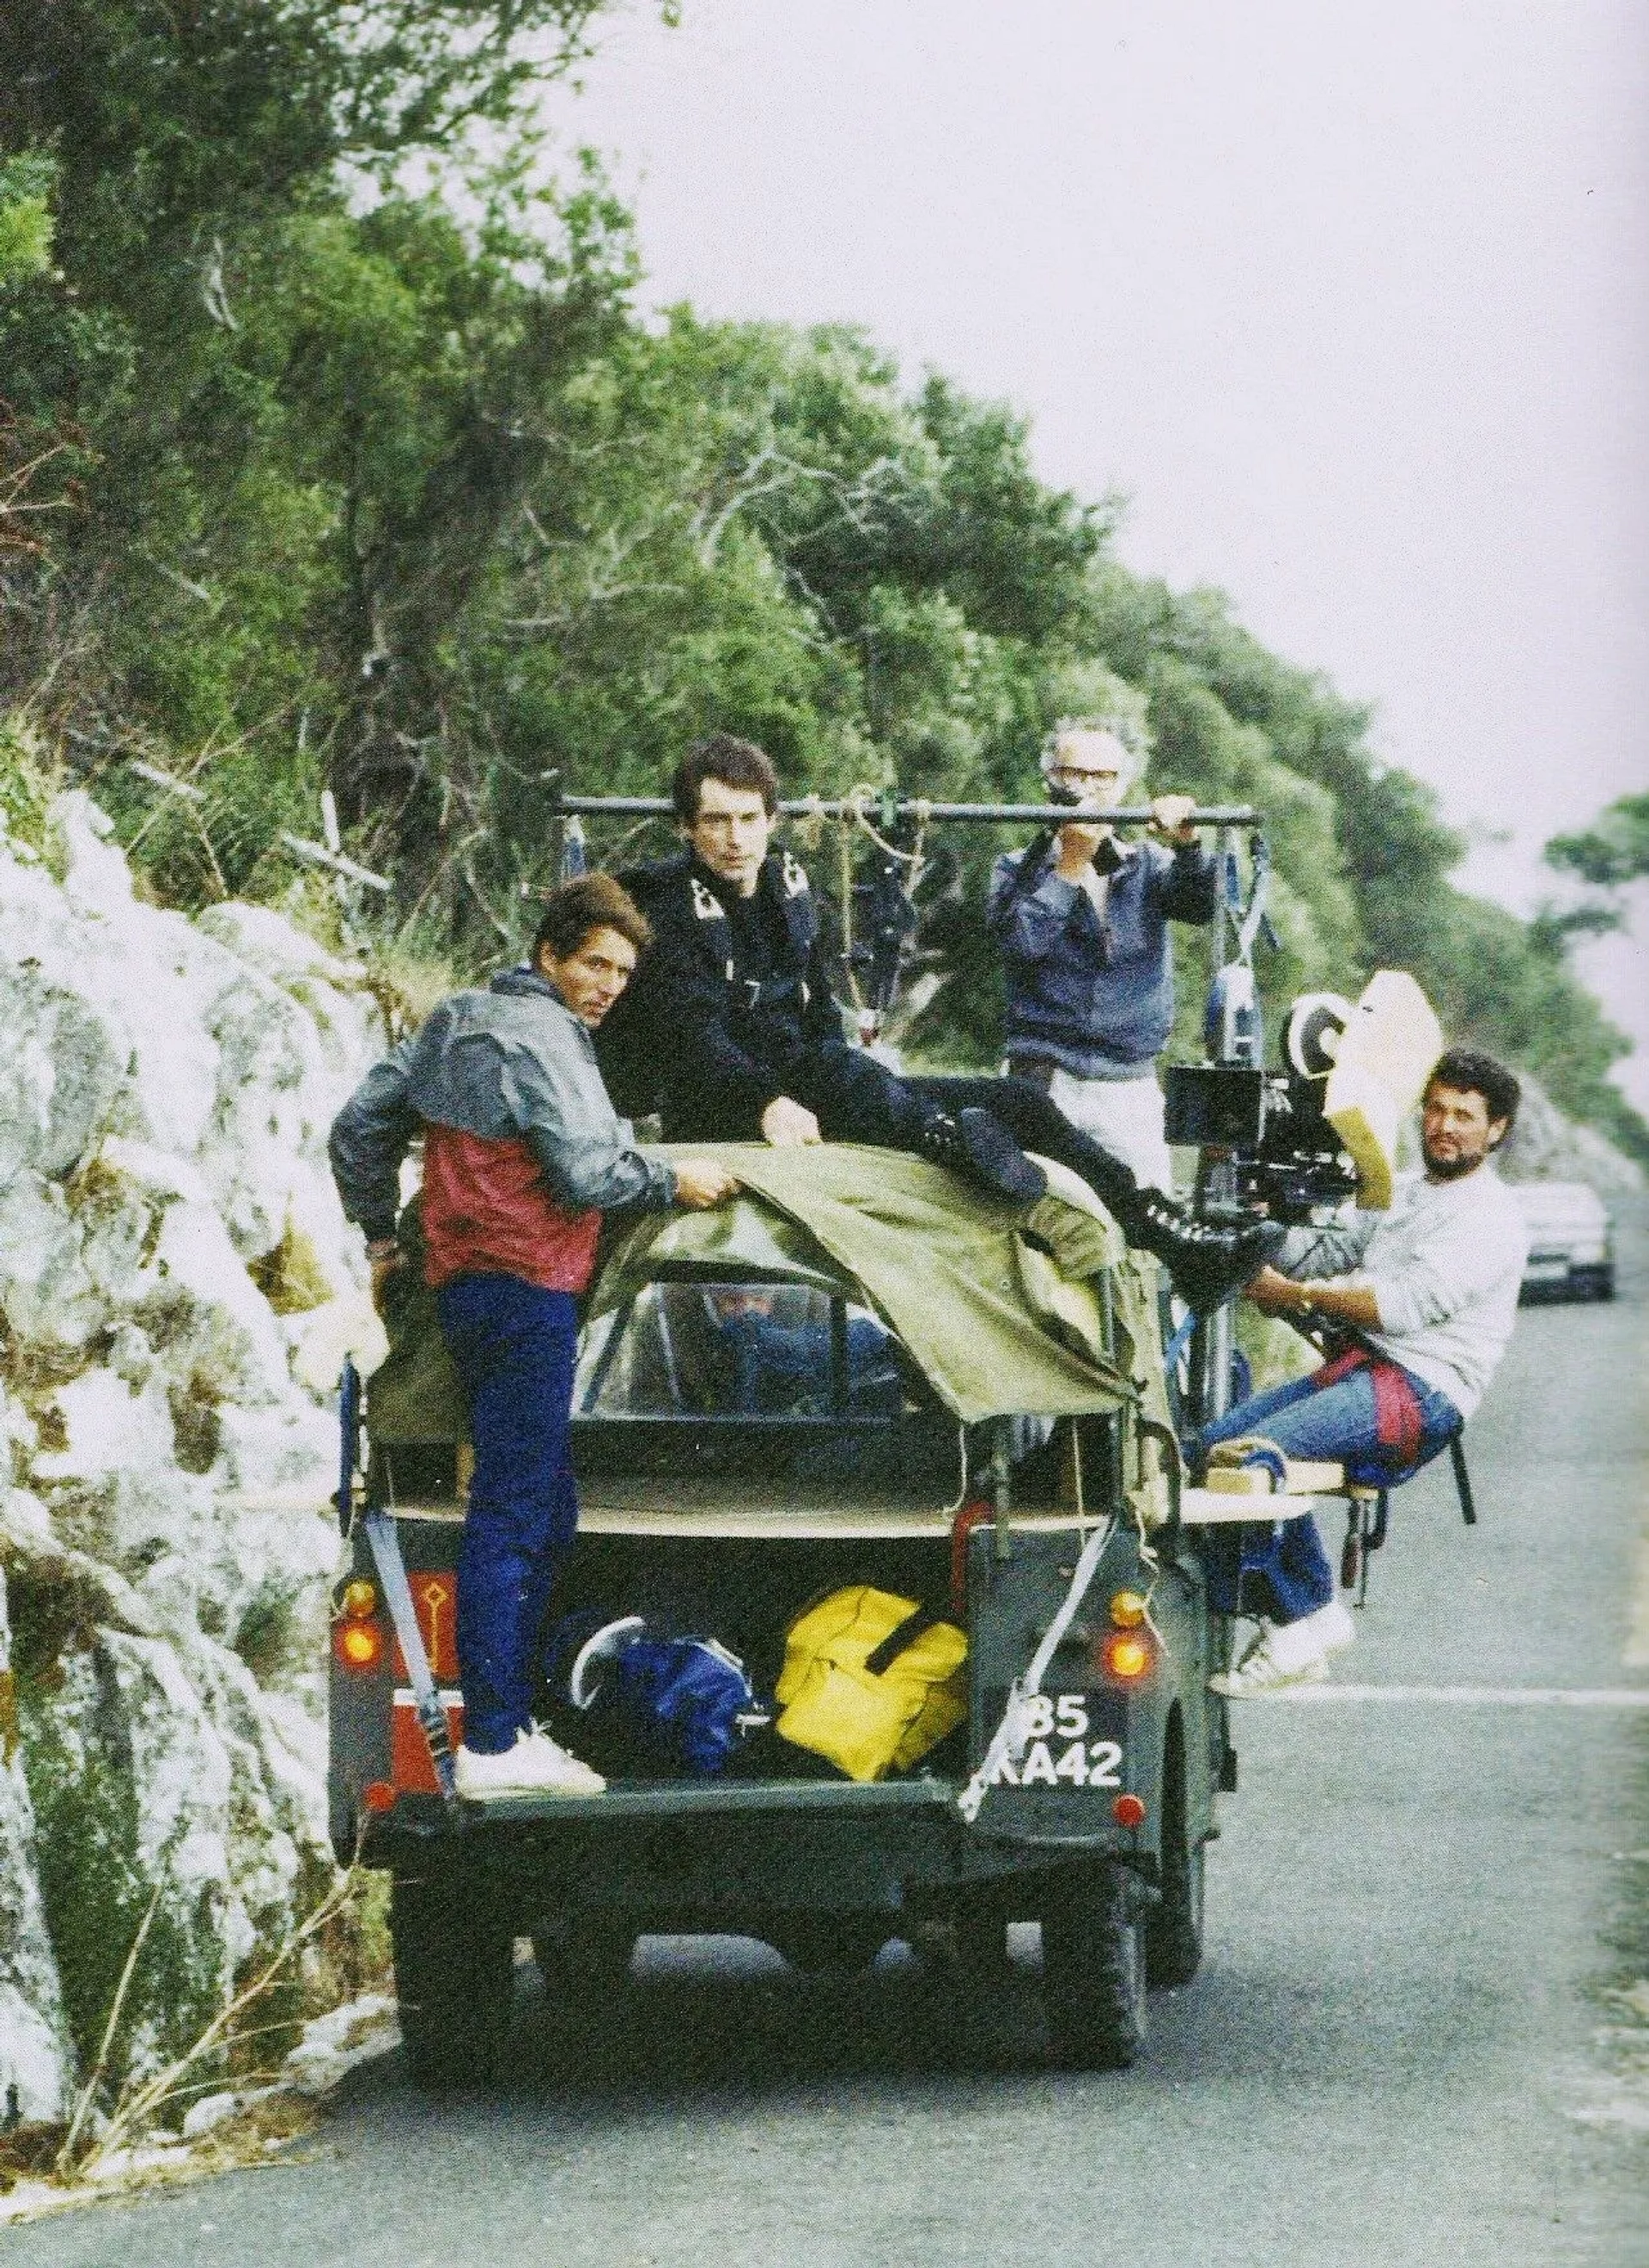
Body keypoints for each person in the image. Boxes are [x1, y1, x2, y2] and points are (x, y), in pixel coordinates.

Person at [598, 733, 1279, 1314]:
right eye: (715, 821)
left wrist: (822, 1083)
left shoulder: (787, 888)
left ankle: (1174, 1239)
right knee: (844, 1073)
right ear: (687, 828)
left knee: (1014, 1103)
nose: (733, 838)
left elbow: (815, 1016)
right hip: (729, 1106)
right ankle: (944, 1138)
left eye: (747, 819)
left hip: (816, 1093)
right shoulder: (663, 908)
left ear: (771, 820)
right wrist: (768, 1101)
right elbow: (693, 1037)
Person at [328, 872, 738, 1798]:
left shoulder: (451, 1021)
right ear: (548, 954)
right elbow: (590, 1170)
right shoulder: (548, 1037)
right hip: (530, 1296)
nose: (606, 985)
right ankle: (497, 1739)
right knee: (513, 1515)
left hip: (466, 1295)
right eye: (593, 963)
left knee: (544, 1508)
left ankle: (525, 1713)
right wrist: (679, 1181)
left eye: (622, 972)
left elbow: (357, 1129)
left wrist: (384, 1235)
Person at [1202, 1048, 1529, 1697]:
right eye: (1437, 1109)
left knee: (1252, 1458)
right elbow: (1328, 1249)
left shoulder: (1489, 1218)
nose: (1445, 1126)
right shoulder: (1403, 1191)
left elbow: (1398, 1306)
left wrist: (1294, 1296)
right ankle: (1317, 1615)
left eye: (1465, 1116)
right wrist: (1255, 1224)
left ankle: (1297, 1622)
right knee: (1207, 1450)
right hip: (1369, 1372)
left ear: (1496, 1131)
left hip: (1421, 1392)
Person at [988, 718, 1214, 1191]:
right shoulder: (1016, 868)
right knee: (1032, 1215)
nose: (1089, 788)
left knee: (1147, 1221)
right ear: (1051, 780)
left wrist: (1190, 845)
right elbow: (1021, 945)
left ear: (1122, 786)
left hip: (1129, 1085)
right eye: (1076, 774)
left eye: (1103, 777)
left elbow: (1202, 905)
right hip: (1042, 1080)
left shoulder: (1148, 865)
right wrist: (1069, 865)